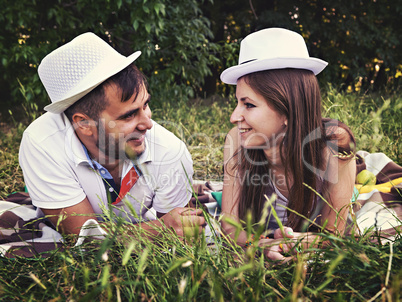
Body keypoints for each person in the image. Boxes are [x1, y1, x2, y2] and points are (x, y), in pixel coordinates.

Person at [19, 32, 205, 238]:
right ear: (84, 123)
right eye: (129, 116)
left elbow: (181, 236)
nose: (148, 124)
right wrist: (159, 229)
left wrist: (172, 228)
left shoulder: (171, 151)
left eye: (146, 105)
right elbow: (83, 237)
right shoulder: (42, 143)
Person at [220, 28, 356, 260]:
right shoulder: (236, 140)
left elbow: (334, 235)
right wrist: (262, 244)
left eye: (248, 105)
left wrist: (296, 242)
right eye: (237, 103)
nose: (234, 117)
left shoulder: (333, 147)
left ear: (288, 110)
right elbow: (230, 228)